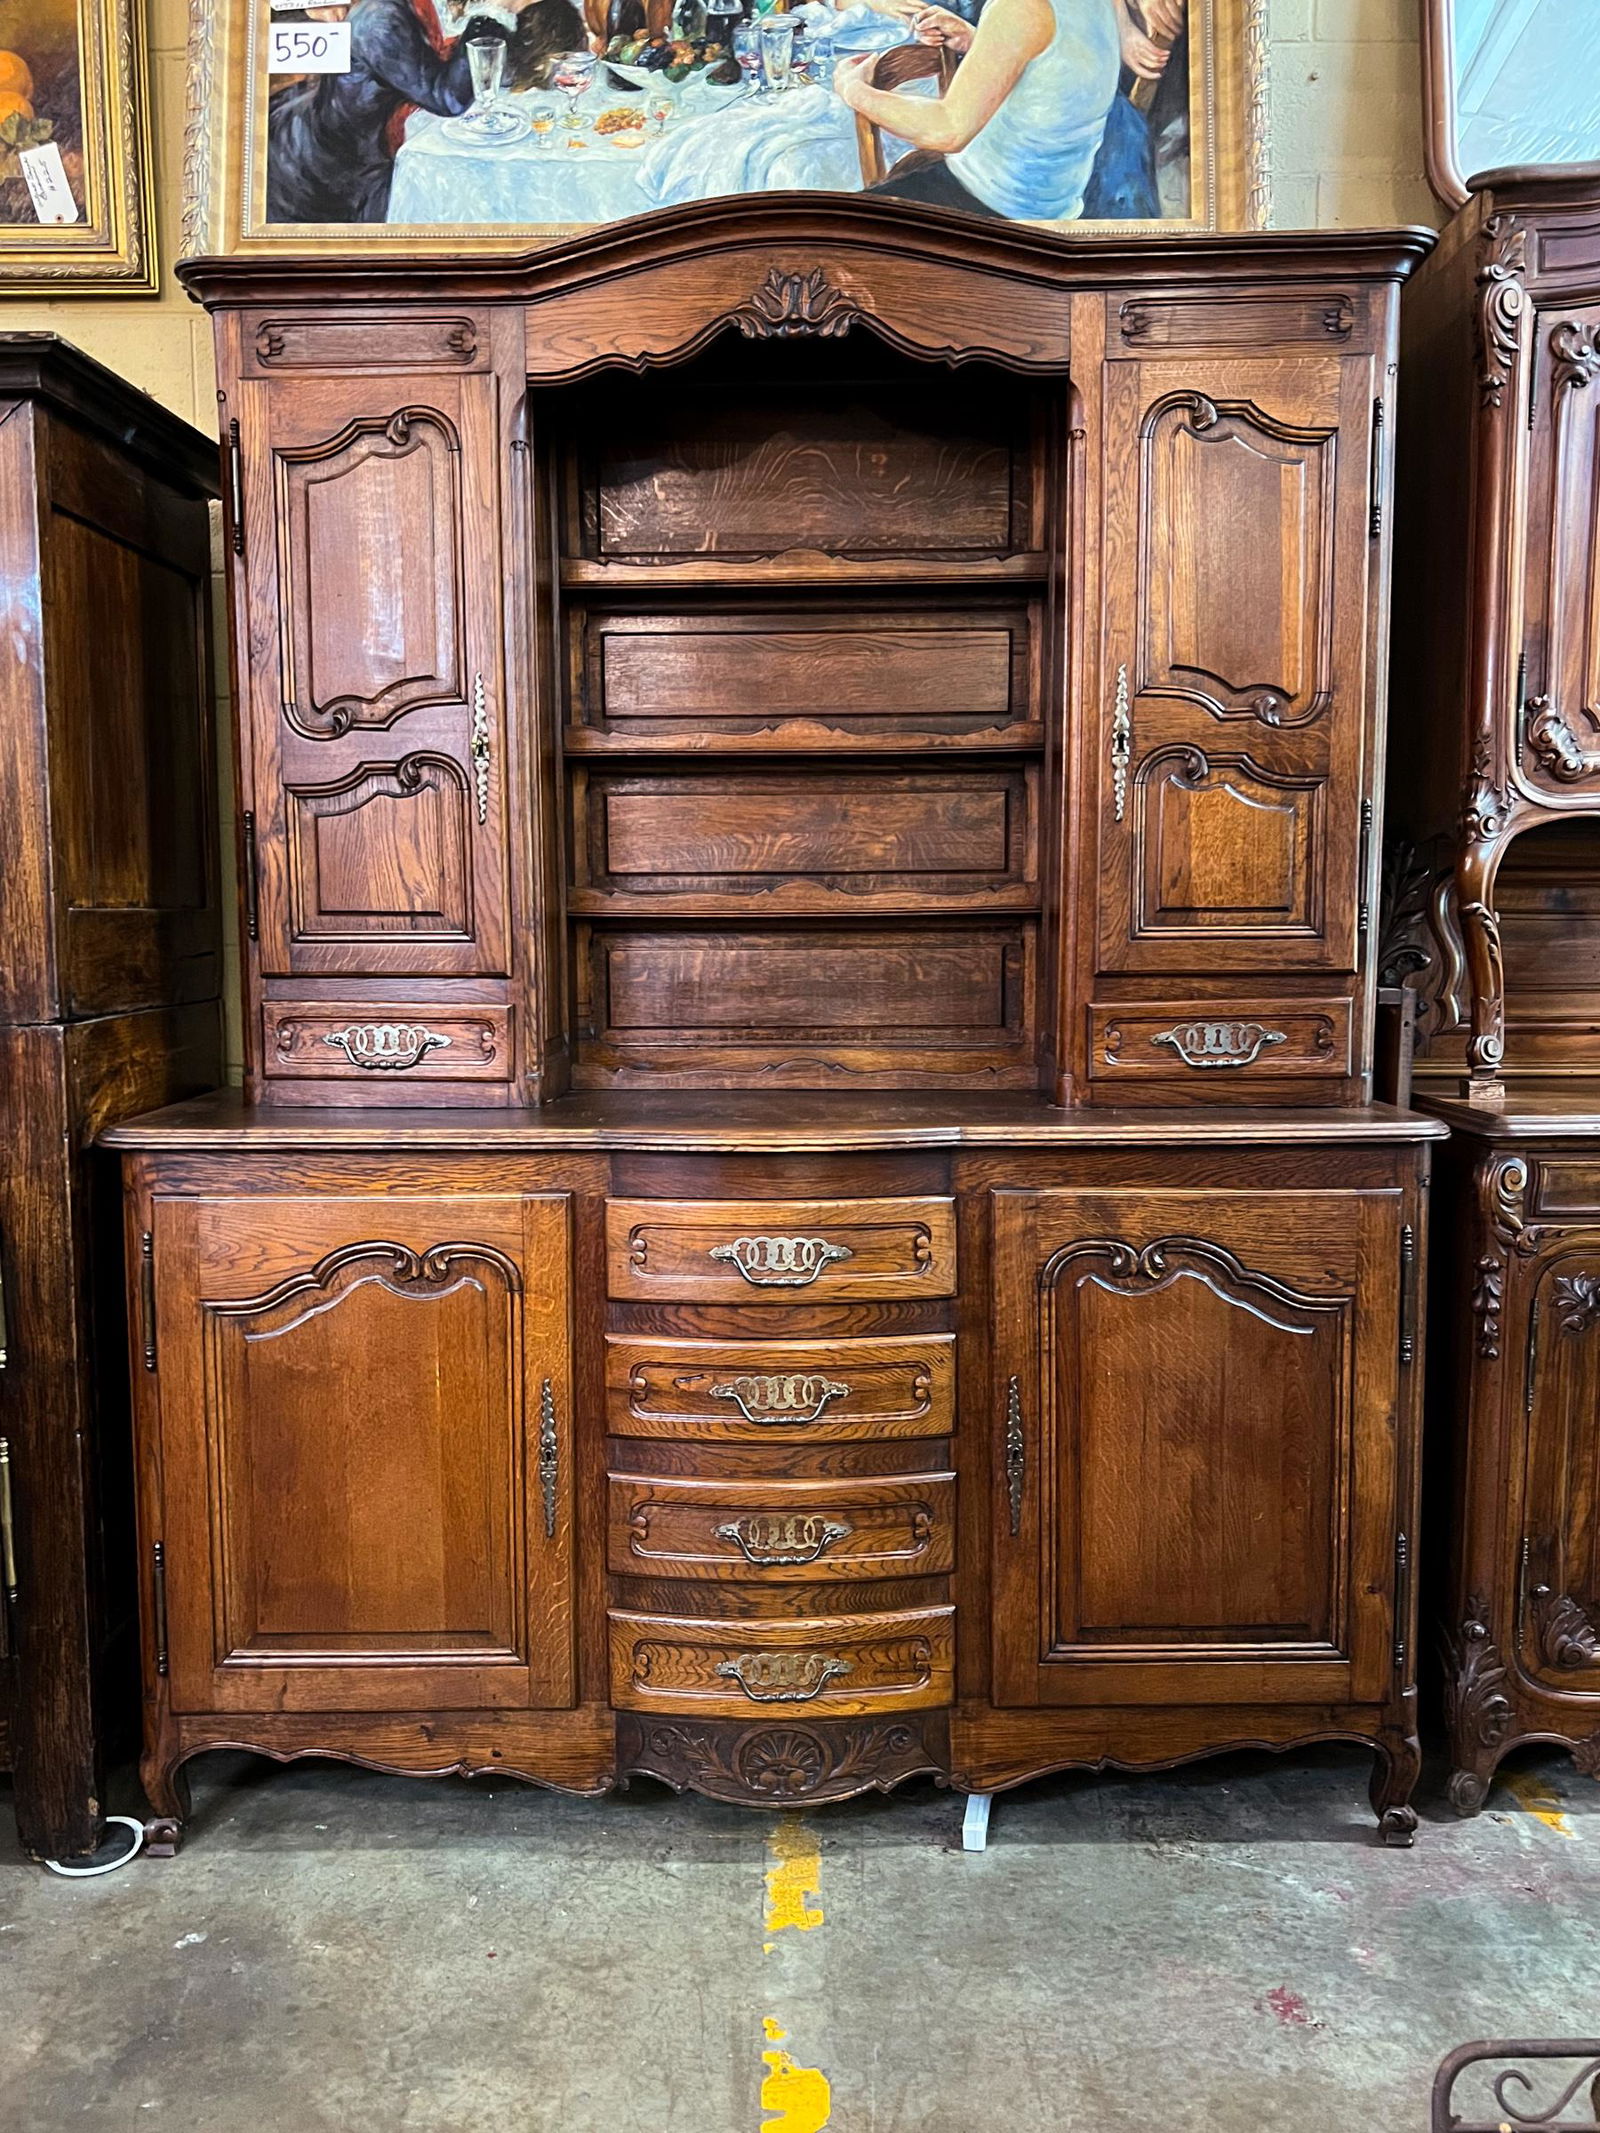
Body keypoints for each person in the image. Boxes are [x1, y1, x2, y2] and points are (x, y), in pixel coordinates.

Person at [834, 0, 1122, 221]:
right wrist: (978, 41)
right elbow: (1055, 72)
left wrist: (854, 90)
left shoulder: (1020, 8)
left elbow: (947, 130)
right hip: (1053, 202)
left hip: (990, 209)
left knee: (829, 234)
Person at [267, 0, 542, 223]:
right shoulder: (378, 17)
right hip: (325, 175)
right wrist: (487, 22)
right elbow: (446, 98)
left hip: (360, 150)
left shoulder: (430, 8)